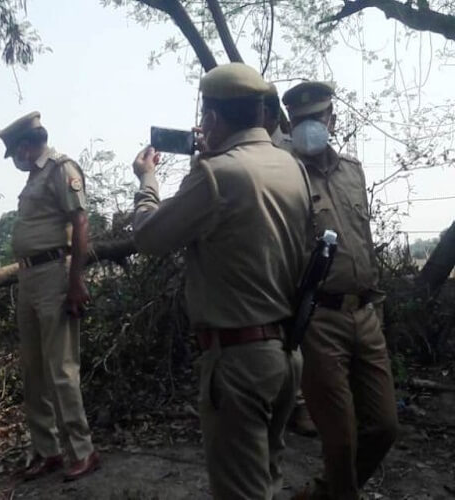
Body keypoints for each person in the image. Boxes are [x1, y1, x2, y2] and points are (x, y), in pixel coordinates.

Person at [132, 63, 309, 499]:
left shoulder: (217, 175)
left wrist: (147, 181)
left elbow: (150, 237)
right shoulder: (291, 168)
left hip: (238, 361)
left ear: (211, 119)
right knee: (265, 477)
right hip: (286, 355)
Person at [283, 81, 398, 500]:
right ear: (289, 125)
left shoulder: (353, 171)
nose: (308, 127)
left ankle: (324, 493)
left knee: (385, 426)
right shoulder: (284, 175)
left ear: (332, 119)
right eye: (299, 121)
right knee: (340, 437)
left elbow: (363, 242)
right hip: (319, 319)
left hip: (365, 314)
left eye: (316, 118)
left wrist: (377, 305)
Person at [0, 111, 99, 482]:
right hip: (28, 279)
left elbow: (81, 222)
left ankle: (83, 451)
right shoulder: (33, 177)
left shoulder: (60, 168)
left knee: (61, 370)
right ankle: (47, 450)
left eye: (15, 153)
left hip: (54, 275)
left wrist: (76, 281)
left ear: (26, 146)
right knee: (33, 370)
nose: (15, 161)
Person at [264, 82, 318, 438]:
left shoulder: (301, 147)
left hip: (305, 249)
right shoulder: (263, 150)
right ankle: (288, 405)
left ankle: (306, 404)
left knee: (307, 328)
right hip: (270, 251)